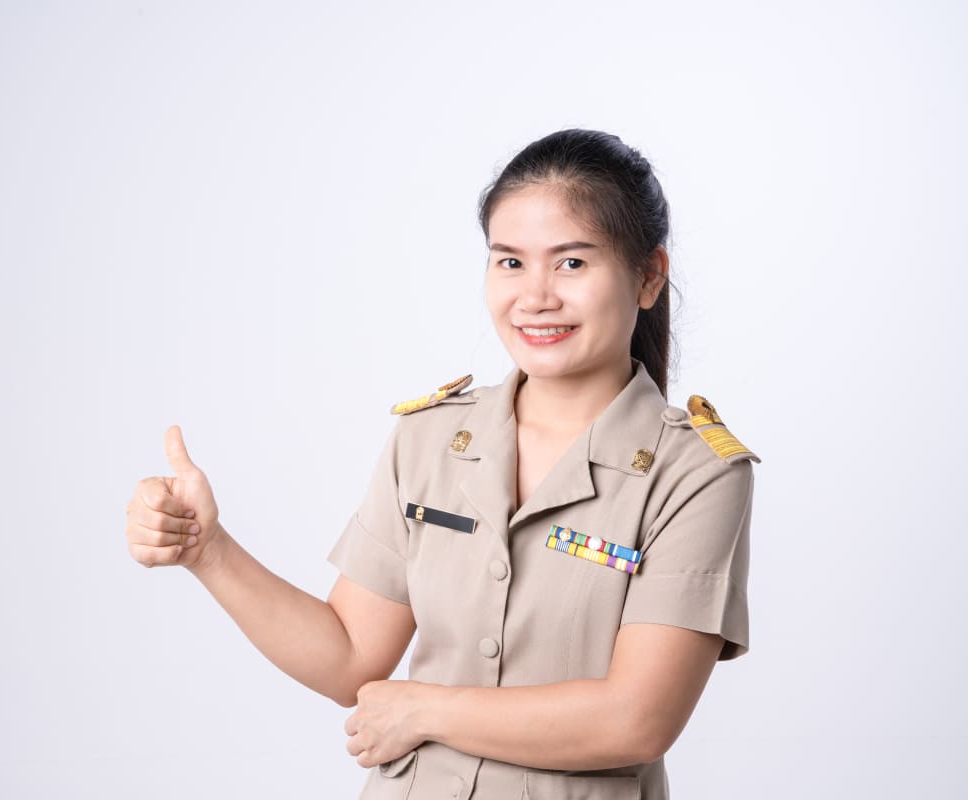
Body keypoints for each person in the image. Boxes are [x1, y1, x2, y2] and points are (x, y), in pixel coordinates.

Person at [124, 128, 759, 800]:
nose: (535, 296)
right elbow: (350, 656)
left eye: (572, 263)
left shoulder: (696, 473)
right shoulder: (428, 439)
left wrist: (425, 710)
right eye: (509, 262)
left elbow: (637, 720)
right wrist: (208, 551)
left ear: (649, 275)